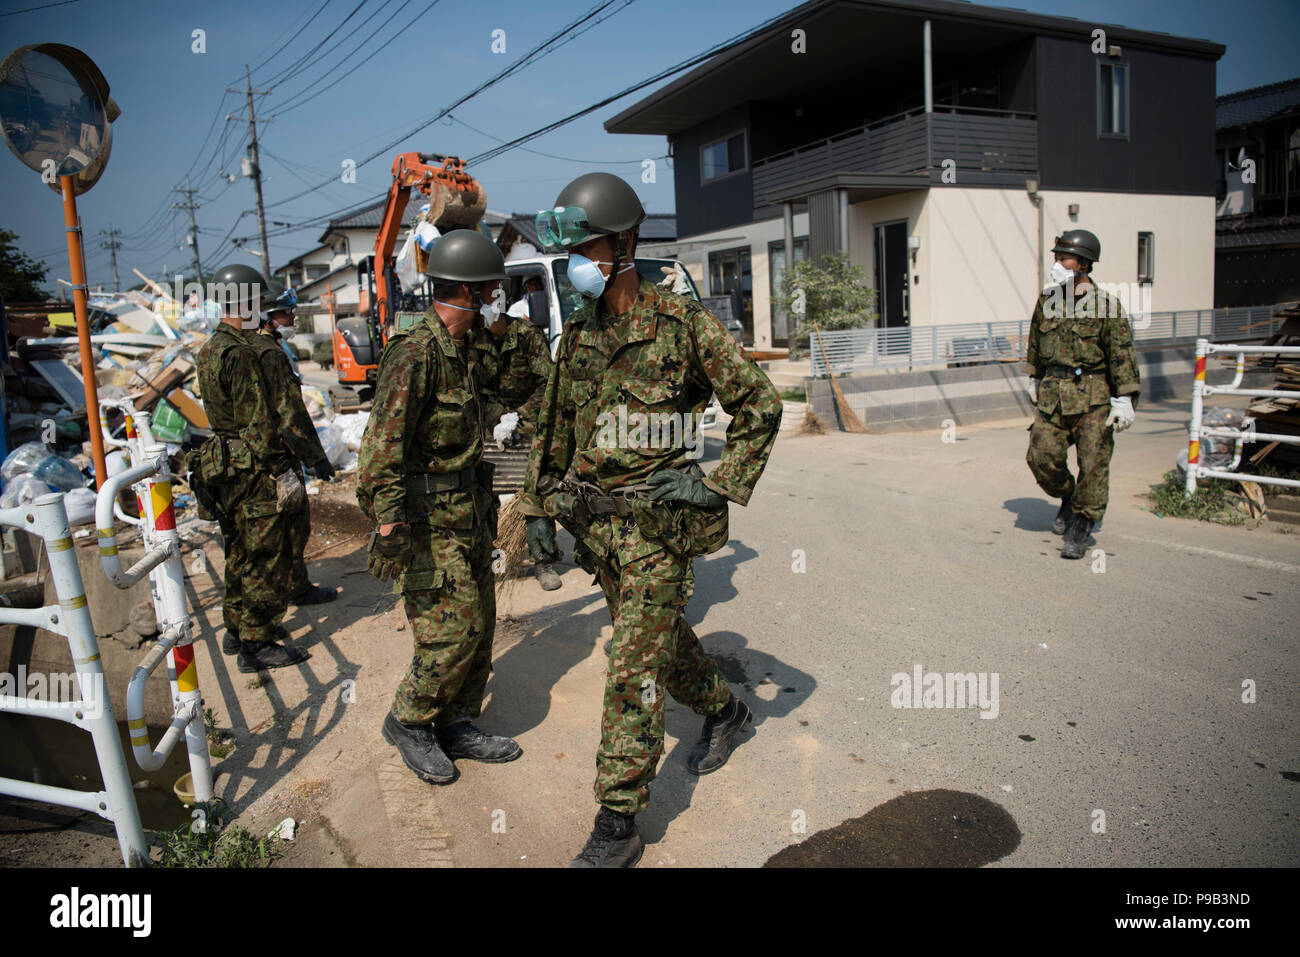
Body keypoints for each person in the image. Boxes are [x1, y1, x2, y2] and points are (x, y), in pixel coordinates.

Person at [519, 172, 782, 866]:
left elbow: (760, 404)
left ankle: (618, 821)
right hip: (598, 533)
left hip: (660, 532)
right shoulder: (577, 335)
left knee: (630, 667)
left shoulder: (682, 324)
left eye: (586, 244)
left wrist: (718, 485)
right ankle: (726, 710)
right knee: (662, 648)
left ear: (624, 244)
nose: (576, 258)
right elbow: (550, 431)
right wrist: (539, 510)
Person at [356, 229, 522, 786]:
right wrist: (387, 523)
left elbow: (515, 386)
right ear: (469, 293)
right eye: (489, 292)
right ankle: (409, 719)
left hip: (471, 509)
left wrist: (510, 337)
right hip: (429, 520)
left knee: (481, 622)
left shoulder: (468, 348)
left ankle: (455, 721)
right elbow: (382, 447)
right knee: (453, 626)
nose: (494, 300)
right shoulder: (417, 352)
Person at [193, 263, 311, 673]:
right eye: (259, 299)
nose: (264, 306)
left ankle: (235, 628)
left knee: (239, 550)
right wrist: (283, 470)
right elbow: (258, 420)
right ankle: (257, 643)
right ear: (246, 301)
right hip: (252, 468)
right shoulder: (242, 353)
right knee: (264, 554)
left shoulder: (210, 347)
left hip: (225, 464)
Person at [1024, 229, 1140, 560]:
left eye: (1063, 258)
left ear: (1084, 264)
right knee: (1040, 456)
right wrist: (1032, 377)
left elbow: (1121, 352)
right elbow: (1035, 342)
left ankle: (1083, 524)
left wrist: (1124, 398)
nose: (1056, 264)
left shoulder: (1106, 305)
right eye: (1056, 258)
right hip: (1053, 395)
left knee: (1093, 464)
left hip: (1093, 398)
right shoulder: (1047, 302)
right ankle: (1067, 496)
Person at [246, 279, 338, 608]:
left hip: (260, 455)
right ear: (268, 317)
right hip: (277, 457)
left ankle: (290, 587)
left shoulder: (256, 348)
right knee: (292, 526)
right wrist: (317, 459)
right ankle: (290, 592)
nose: (293, 319)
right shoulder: (269, 354)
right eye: (286, 314)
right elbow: (291, 414)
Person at [477, 280, 561, 590]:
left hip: (527, 430)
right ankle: (498, 561)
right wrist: (497, 417)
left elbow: (549, 385)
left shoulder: (528, 336)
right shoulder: (475, 339)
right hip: (491, 431)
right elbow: (475, 387)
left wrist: (519, 416)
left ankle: (544, 562)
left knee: (534, 498)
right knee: (489, 503)